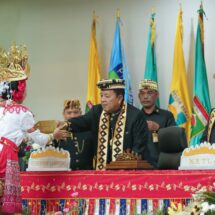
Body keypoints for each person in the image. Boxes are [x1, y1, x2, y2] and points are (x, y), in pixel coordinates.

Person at [0, 45, 68, 214]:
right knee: (4, 200)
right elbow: (40, 139)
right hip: (5, 155)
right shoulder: (23, 112)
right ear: (19, 90)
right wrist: (54, 135)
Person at [59, 79, 149, 170]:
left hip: (127, 173)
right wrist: (64, 124)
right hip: (101, 172)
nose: (102, 100)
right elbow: (81, 121)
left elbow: (139, 146)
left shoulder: (135, 115)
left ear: (119, 98)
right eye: (101, 96)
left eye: (107, 96)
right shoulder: (97, 111)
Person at [138, 79, 176, 167]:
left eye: (149, 93)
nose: (145, 97)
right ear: (139, 96)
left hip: (163, 164)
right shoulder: (135, 117)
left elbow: (174, 141)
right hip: (140, 166)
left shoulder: (167, 116)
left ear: (157, 95)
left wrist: (158, 129)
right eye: (142, 93)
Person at [55, 99, 94, 170]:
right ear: (63, 114)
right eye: (69, 113)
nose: (72, 116)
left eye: (76, 112)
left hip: (87, 175)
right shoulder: (57, 132)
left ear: (81, 114)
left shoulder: (90, 131)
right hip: (64, 176)